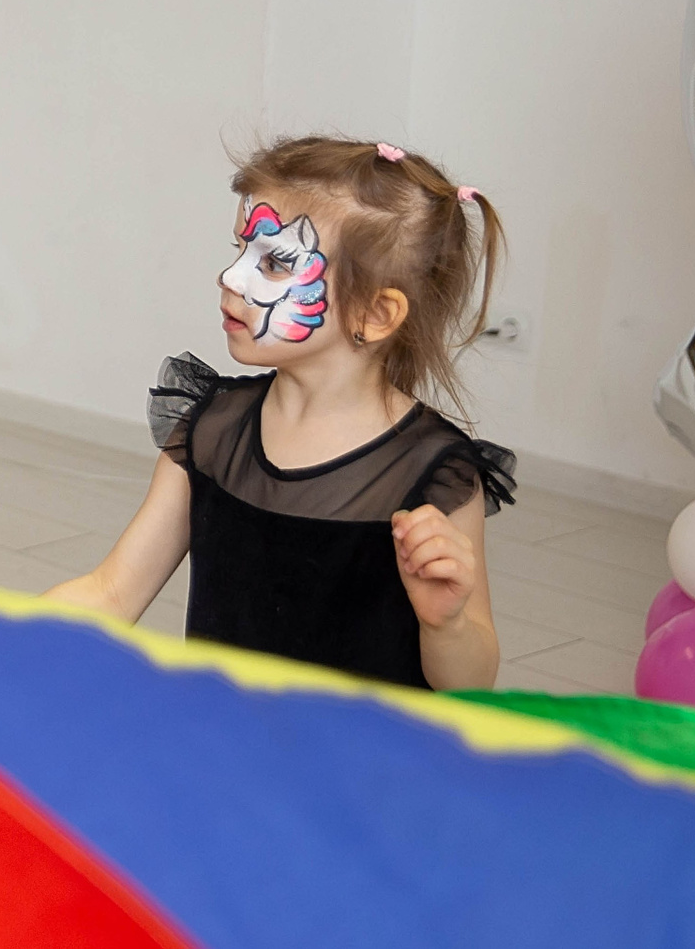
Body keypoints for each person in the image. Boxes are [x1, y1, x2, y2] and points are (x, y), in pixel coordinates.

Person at [46, 136, 514, 690]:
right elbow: (112, 592)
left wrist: (447, 625)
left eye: (274, 262)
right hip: (228, 734)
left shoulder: (434, 472)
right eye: (241, 248)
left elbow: (471, 684)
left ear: (374, 313)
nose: (230, 276)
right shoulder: (211, 431)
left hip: (354, 746)